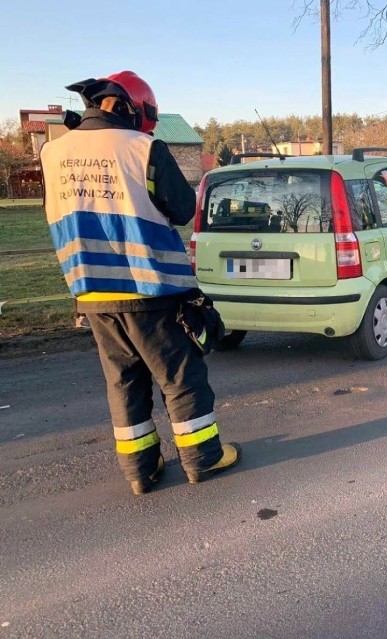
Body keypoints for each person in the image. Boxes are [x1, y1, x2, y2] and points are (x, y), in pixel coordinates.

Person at [40, 71, 241, 495]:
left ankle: (140, 472)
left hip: (92, 292)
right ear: (133, 108)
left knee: (124, 381)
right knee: (181, 376)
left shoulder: (52, 152)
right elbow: (183, 208)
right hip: (150, 287)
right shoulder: (144, 148)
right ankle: (203, 459)